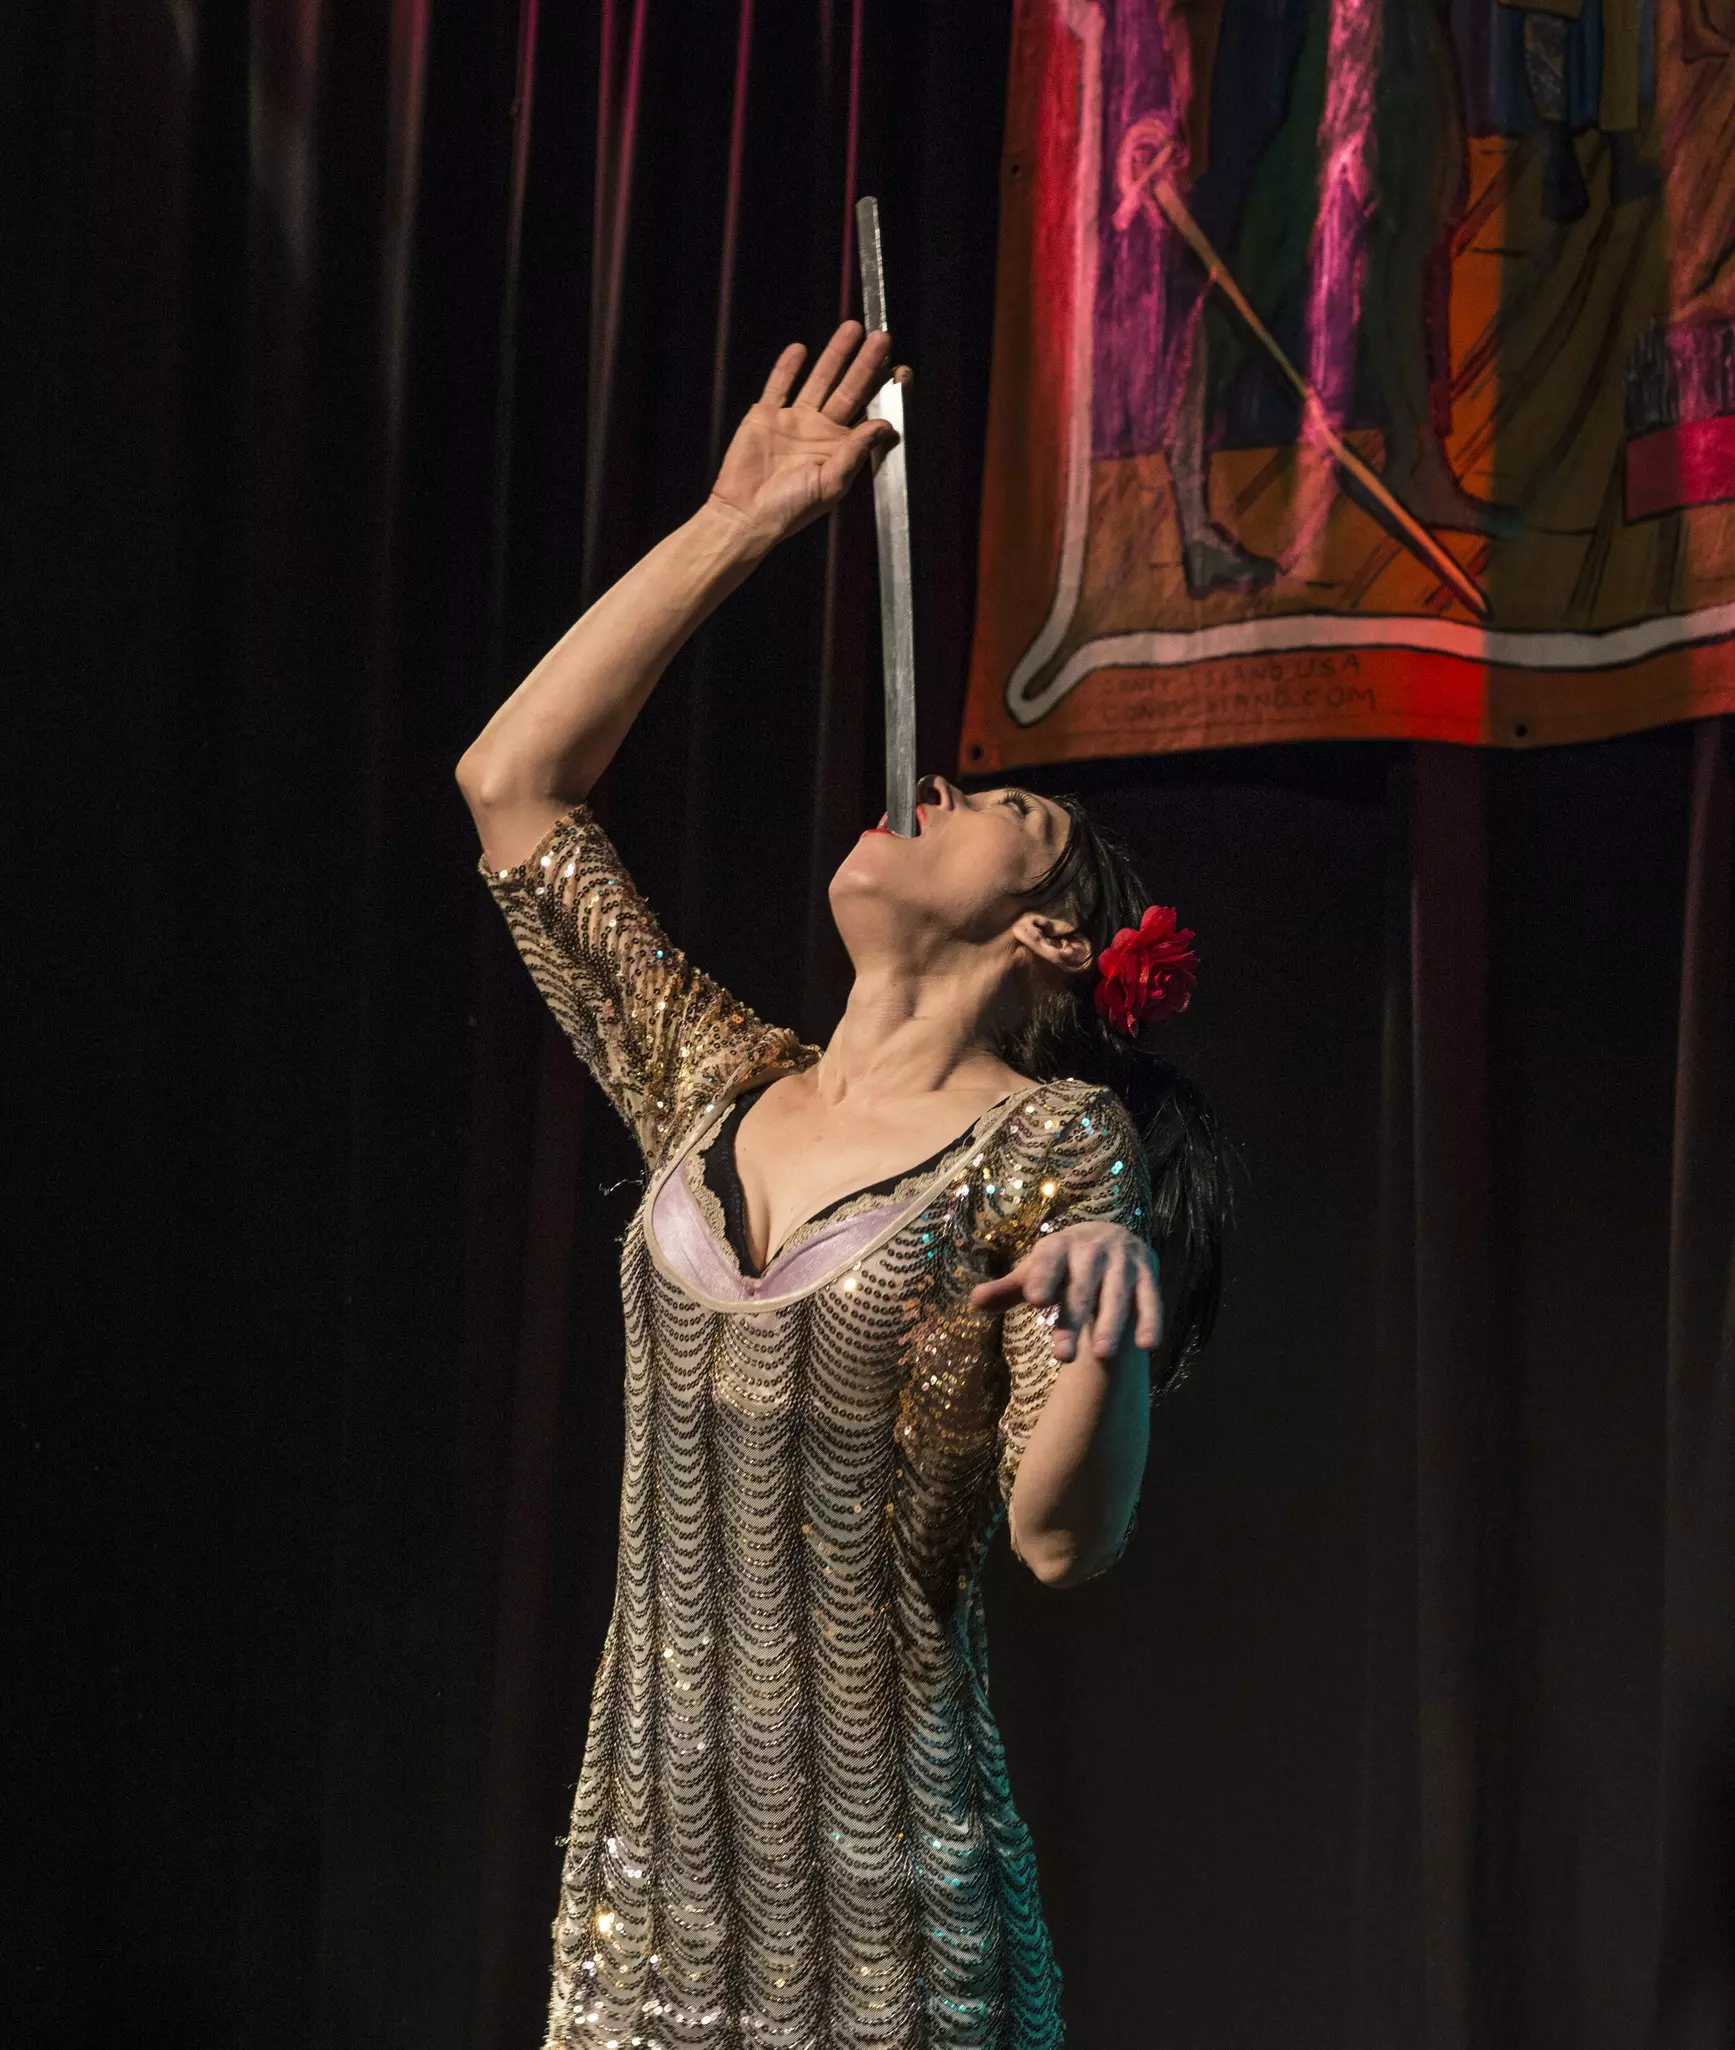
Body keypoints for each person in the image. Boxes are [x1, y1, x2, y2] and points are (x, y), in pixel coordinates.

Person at [457, 319, 1228, 2049]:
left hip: (887, 1922)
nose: (937, 785)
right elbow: (510, 784)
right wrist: (738, 521)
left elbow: (1059, 1537)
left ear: (1048, 937)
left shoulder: (1048, 1146)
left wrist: (1107, 1335)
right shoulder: (709, 1075)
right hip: (644, 1903)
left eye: (1002, 809)